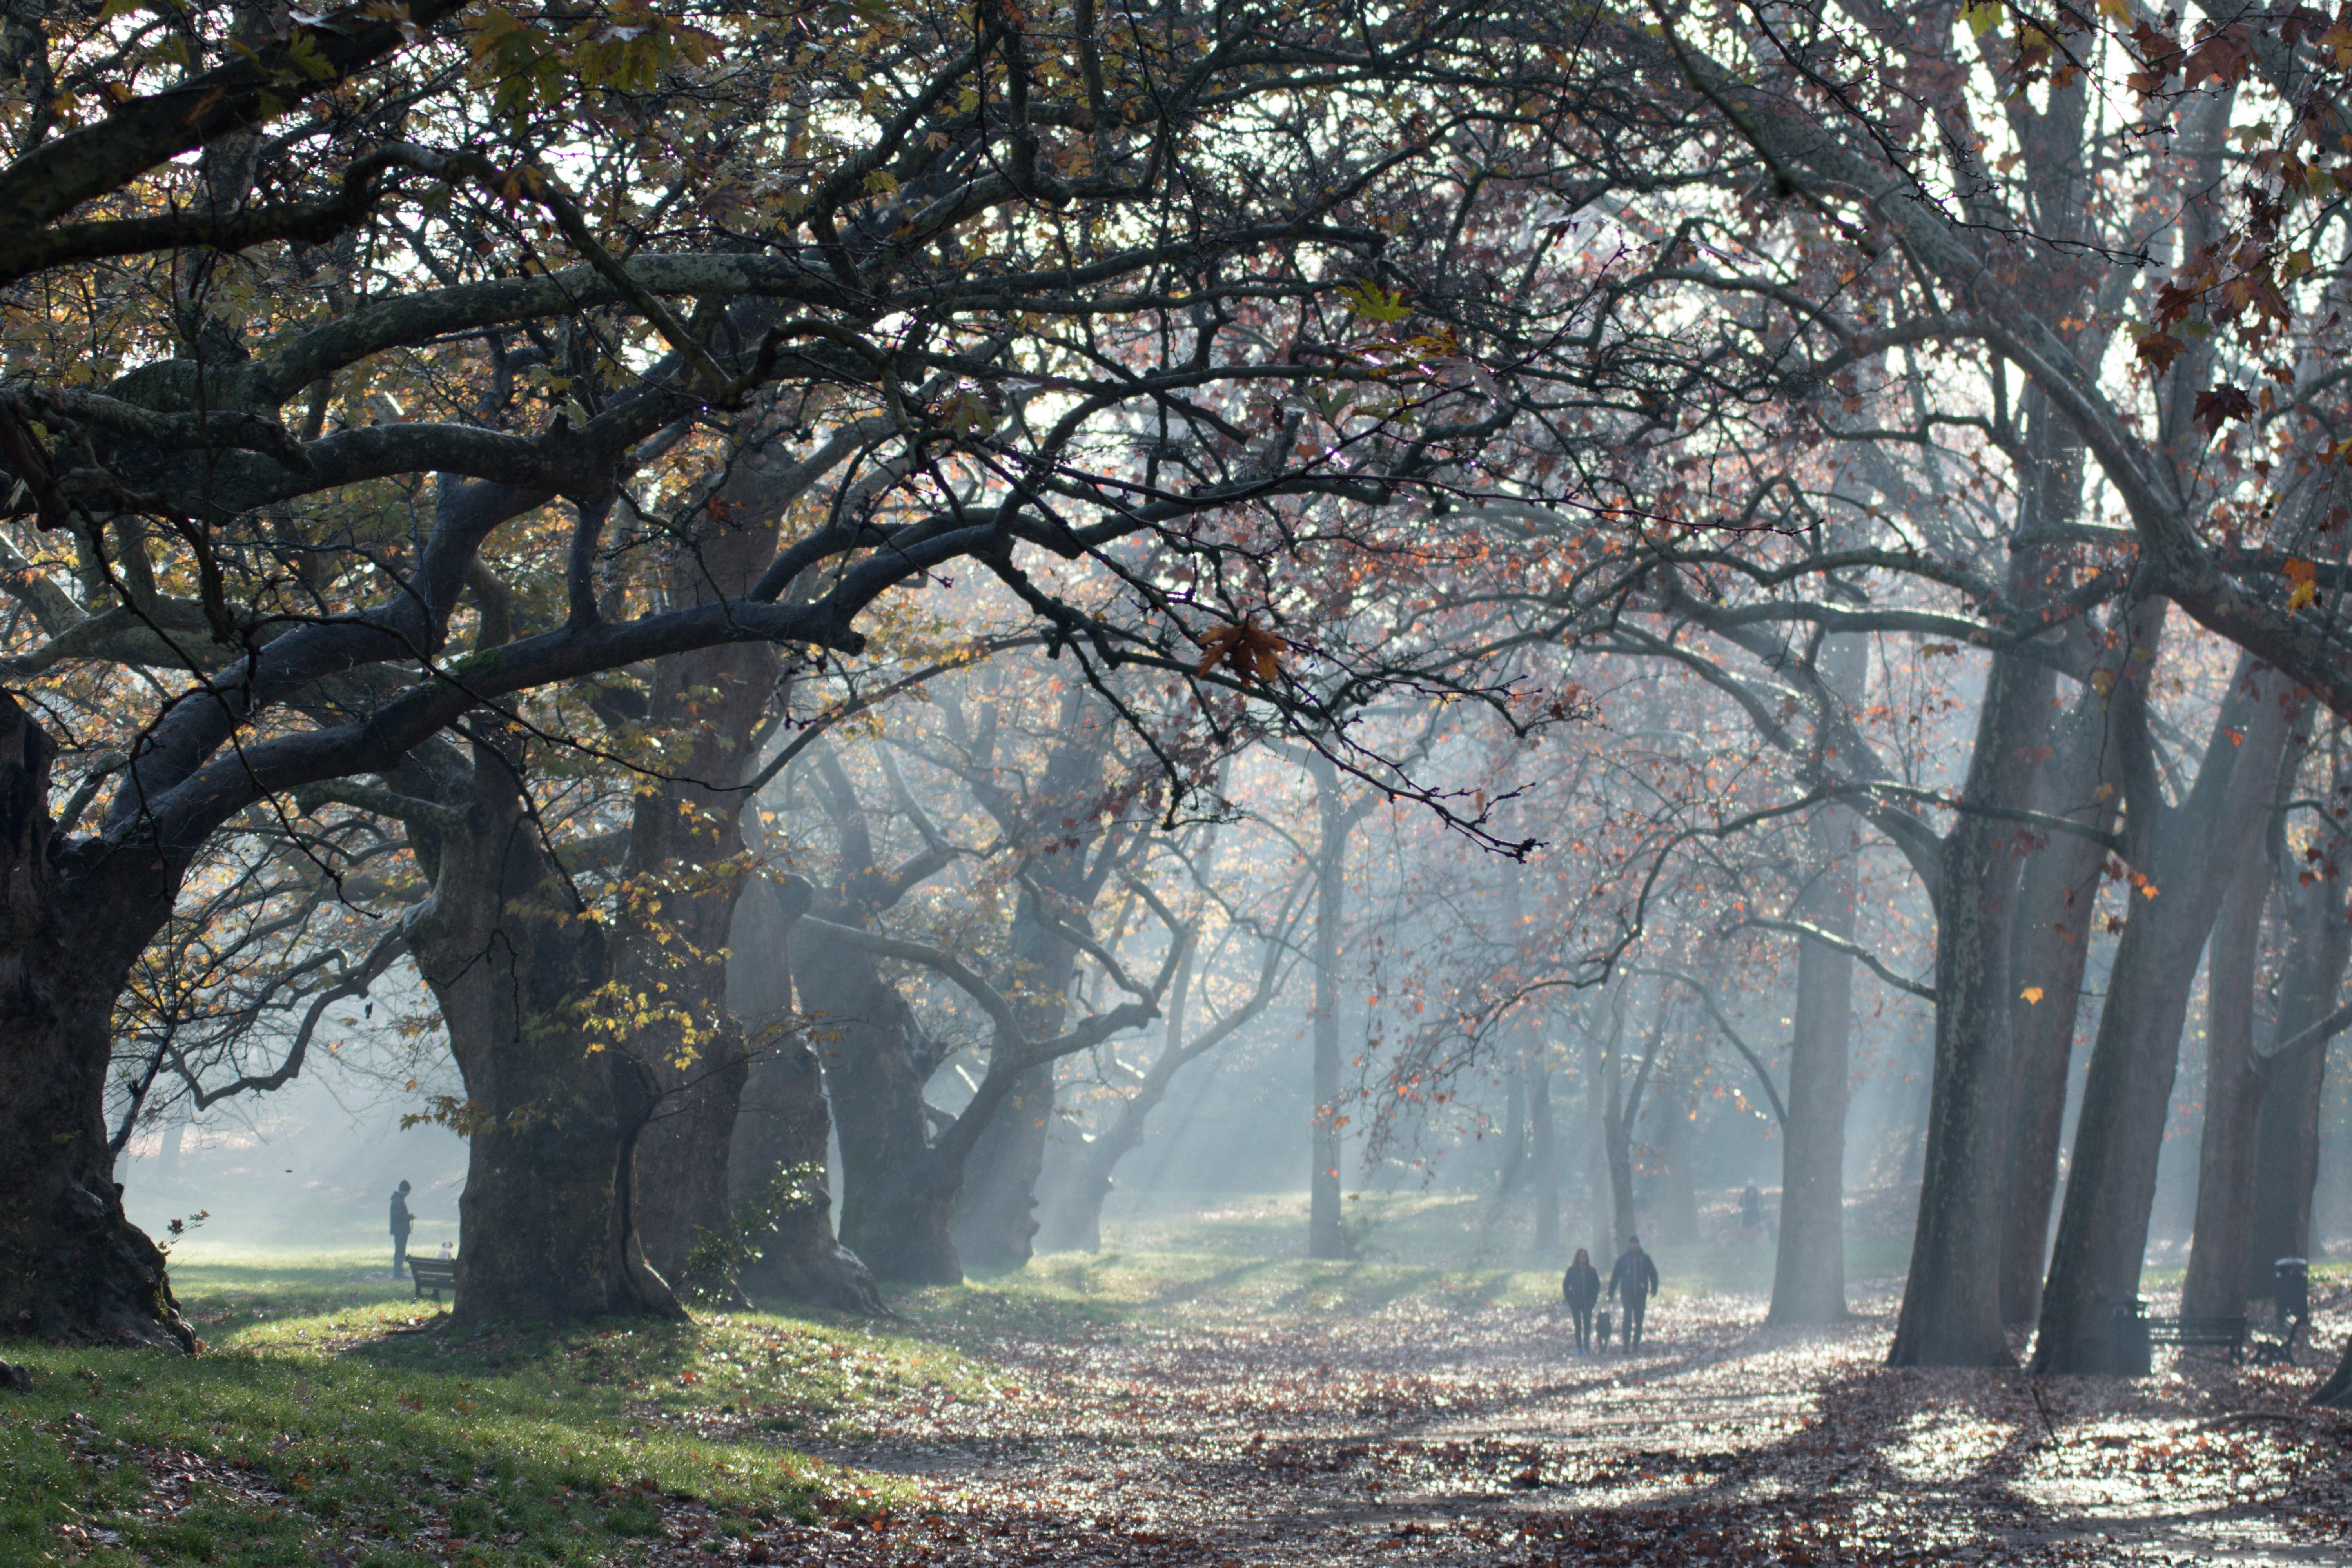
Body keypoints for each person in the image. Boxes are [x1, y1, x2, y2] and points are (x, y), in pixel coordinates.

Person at [1608, 1234, 1660, 1349]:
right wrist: (1611, 1294)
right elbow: (1615, 1277)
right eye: (1632, 1243)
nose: (1634, 1246)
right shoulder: (1623, 1259)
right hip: (1627, 1294)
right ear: (1629, 1245)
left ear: (1638, 1244)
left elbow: (1653, 1274)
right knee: (1627, 1318)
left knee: (1639, 1320)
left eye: (1636, 1243)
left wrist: (1654, 1289)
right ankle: (1626, 1344)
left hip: (1641, 1295)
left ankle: (1636, 1344)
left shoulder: (1645, 1259)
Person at [1562, 1247, 1602, 1352]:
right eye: (1581, 1256)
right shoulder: (1572, 1270)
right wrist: (1569, 1298)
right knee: (1578, 1325)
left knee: (1587, 1324)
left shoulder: (1592, 1270)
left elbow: (1597, 1285)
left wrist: (1594, 1299)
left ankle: (1586, 1341)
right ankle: (1579, 1346)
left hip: (1588, 1301)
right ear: (1577, 1257)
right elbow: (1566, 1284)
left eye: (1585, 1256)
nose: (1583, 1258)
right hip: (1576, 1302)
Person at [389, 1180, 414, 1279]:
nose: (408, 1194)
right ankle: (398, 1274)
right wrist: (410, 1217)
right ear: (405, 1190)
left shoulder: (398, 1200)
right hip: (400, 1231)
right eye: (408, 1192)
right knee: (400, 1252)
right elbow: (398, 1216)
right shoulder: (398, 1201)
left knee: (400, 1251)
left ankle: (399, 1273)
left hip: (399, 1231)